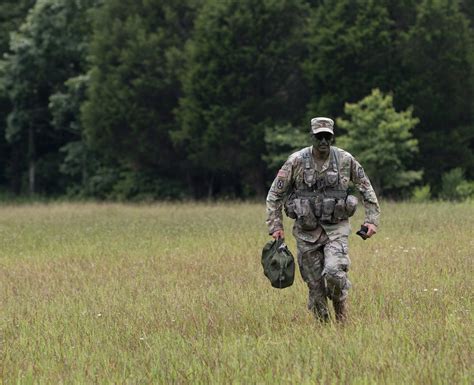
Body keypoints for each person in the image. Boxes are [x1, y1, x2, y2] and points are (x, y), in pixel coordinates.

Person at [266, 117, 380, 322]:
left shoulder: (345, 160)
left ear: (332, 137)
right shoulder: (296, 161)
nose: (323, 142)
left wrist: (371, 220)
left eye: (327, 137)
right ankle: (323, 328)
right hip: (306, 232)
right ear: (312, 137)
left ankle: (342, 315)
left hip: (336, 229)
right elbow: (275, 194)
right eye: (319, 137)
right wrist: (275, 225)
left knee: (334, 272)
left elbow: (366, 188)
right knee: (315, 285)